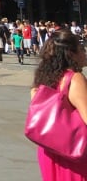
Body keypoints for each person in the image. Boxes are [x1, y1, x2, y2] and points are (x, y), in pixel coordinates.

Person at [30, 28, 87, 179]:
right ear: (71, 54)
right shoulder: (75, 79)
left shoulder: (43, 78)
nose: (85, 52)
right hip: (75, 150)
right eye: (81, 48)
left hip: (50, 149)